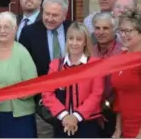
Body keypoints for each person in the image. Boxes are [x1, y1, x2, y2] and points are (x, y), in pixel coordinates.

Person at [0, 11, 38, 138]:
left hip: (18, 117)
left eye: (6, 27)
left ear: (14, 29)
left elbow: (33, 86)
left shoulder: (22, 53)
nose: (2, 30)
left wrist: (10, 94)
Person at [19, 0, 72, 138]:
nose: (49, 18)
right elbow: (23, 66)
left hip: (72, 98)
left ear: (65, 14)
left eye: (55, 15)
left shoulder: (73, 29)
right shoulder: (29, 32)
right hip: (42, 101)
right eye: (46, 13)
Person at [42, 22, 104, 138]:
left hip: (88, 123)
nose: (74, 43)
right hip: (62, 122)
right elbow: (47, 93)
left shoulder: (95, 65)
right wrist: (65, 116)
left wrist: (76, 116)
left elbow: (96, 94)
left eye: (79, 39)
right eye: (71, 38)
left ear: (85, 42)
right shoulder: (56, 65)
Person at [111, 9, 141, 139]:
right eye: (121, 31)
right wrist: (118, 129)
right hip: (125, 127)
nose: (123, 35)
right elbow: (119, 95)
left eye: (128, 31)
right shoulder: (122, 58)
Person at [91, 12, 122, 137]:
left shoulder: (122, 52)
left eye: (105, 28)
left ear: (114, 30)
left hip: (116, 111)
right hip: (92, 111)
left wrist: (106, 105)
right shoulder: (89, 51)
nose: (101, 32)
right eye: (97, 28)